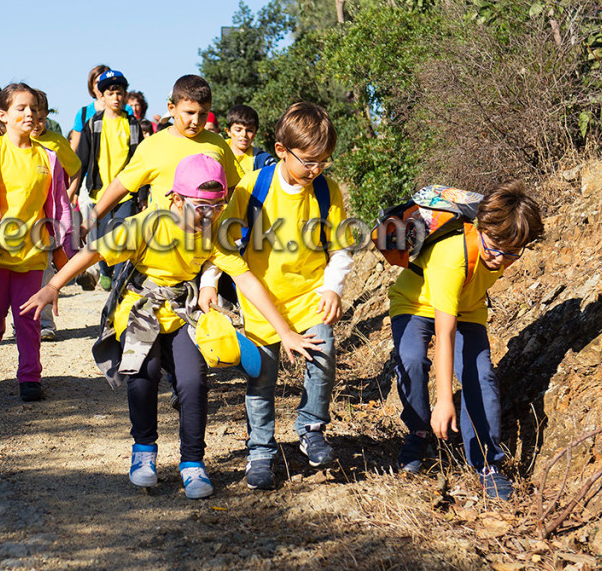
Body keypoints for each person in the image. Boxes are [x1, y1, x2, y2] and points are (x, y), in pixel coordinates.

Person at [20, 154, 320, 499]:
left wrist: (284, 331)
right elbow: (93, 253)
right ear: (176, 199)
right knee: (143, 375)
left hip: (181, 311)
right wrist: (53, 285)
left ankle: (193, 463)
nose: (209, 215)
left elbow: (247, 280)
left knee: (193, 382)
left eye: (217, 207)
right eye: (200, 207)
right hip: (141, 307)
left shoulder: (214, 233)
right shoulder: (147, 225)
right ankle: (143, 452)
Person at [217, 102, 353, 490]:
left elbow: (342, 246)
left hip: (309, 296)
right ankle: (260, 450)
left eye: (324, 161)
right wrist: (211, 280)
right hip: (263, 303)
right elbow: (223, 244)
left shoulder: (327, 190)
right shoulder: (253, 187)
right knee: (261, 378)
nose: (316, 170)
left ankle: (311, 426)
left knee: (323, 353)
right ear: (281, 150)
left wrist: (333, 286)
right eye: (309, 161)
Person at [389, 181, 543, 499]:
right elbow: (444, 336)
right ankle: (418, 431)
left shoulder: (501, 245)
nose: (501, 259)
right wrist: (444, 402)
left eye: (513, 253)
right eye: (494, 248)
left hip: (467, 308)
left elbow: (458, 329)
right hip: (414, 301)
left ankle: (488, 464)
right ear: (480, 229)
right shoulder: (452, 256)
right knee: (412, 358)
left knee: (480, 375)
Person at [0, 84, 72, 402]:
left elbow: (60, 205)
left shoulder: (49, 159)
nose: (30, 113)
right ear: (2, 115)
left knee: (29, 317)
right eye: (21, 108)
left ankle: (30, 377)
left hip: (32, 253)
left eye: (34, 108)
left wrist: (63, 241)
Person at [85, 74, 243, 235]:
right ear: (171, 108)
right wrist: (89, 222)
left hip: (209, 244)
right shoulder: (152, 146)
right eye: (189, 112)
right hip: (164, 245)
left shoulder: (217, 144)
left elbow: (235, 187)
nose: (196, 120)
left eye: (203, 114)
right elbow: (121, 185)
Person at [73, 70, 144, 291]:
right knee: (102, 237)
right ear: (101, 96)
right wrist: (74, 189)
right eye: (111, 93)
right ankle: (104, 272)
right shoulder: (93, 123)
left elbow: (141, 160)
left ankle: (119, 281)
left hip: (126, 193)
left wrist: (141, 194)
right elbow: (82, 159)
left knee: (122, 237)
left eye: (120, 93)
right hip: (98, 192)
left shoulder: (132, 124)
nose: (116, 97)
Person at [30, 88, 81, 341]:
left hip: (47, 219)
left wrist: (69, 194)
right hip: (17, 219)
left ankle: (44, 323)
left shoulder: (57, 142)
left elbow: (75, 170)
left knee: (44, 272)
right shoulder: (11, 141)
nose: (36, 123)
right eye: (32, 116)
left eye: (41, 118)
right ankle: (21, 320)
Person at [223, 104, 274, 174]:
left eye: (249, 130)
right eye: (238, 130)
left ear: (255, 133)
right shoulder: (219, 152)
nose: (244, 134)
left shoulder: (264, 161)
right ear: (228, 131)